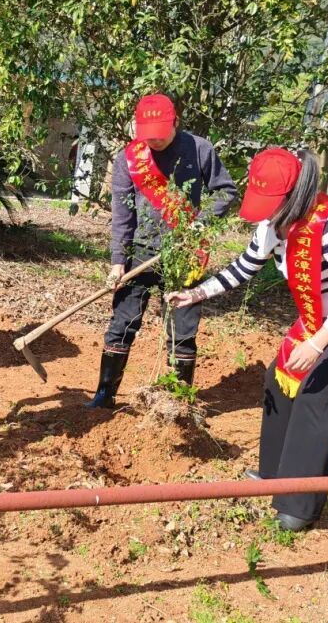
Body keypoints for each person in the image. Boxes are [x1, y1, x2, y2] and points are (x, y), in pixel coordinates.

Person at [165, 148, 328, 531]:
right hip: (325, 317)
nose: (266, 212)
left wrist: (316, 345)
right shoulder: (274, 222)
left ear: (295, 193)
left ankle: (299, 505)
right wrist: (196, 293)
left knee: (317, 396)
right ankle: (275, 474)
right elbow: (244, 267)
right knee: (279, 382)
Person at [88, 93, 238, 408]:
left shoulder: (200, 149)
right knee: (123, 321)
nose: (153, 142)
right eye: (148, 135)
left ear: (176, 123)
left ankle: (179, 399)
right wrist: (118, 262)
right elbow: (122, 215)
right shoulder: (128, 158)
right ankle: (105, 393)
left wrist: (202, 223)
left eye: (160, 134)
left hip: (185, 252)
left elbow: (226, 191)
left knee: (182, 326)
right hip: (140, 251)